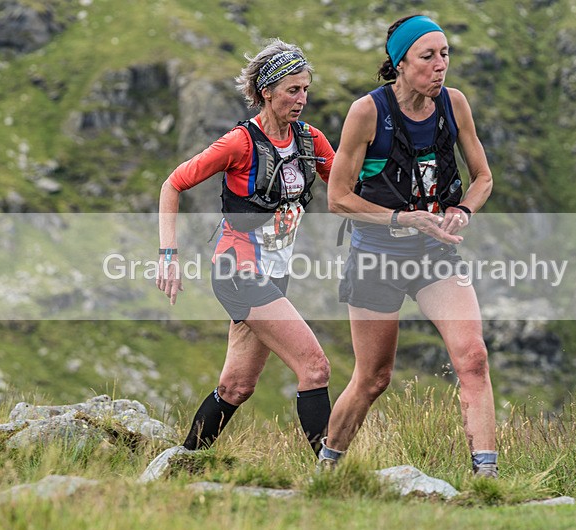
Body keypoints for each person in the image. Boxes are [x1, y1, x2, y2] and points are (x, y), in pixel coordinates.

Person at [323, 15, 498, 477]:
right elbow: (338, 198)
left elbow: (483, 178)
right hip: (376, 256)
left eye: (445, 54)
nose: (441, 65)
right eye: (428, 56)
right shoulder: (368, 112)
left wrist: (462, 211)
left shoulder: (454, 105)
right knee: (373, 378)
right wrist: (403, 217)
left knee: (474, 358)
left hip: (434, 255)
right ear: (400, 63)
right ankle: (327, 467)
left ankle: (487, 478)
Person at [156, 39, 335, 458]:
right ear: (266, 92)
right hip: (238, 271)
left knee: (236, 386)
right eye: (292, 90)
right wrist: (169, 255)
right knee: (315, 367)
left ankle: (183, 463)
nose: (302, 98)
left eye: (306, 89)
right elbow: (173, 184)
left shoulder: (311, 141)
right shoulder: (238, 143)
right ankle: (335, 475)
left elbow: (350, 185)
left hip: (275, 272)